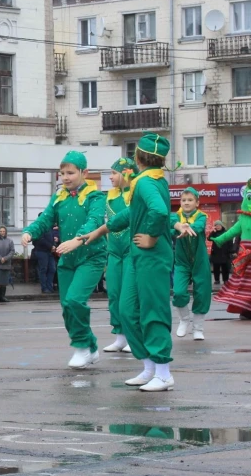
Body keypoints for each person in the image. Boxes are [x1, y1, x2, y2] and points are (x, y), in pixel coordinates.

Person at [71, 134, 174, 392]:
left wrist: (151, 235)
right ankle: (149, 367)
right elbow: (130, 214)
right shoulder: (144, 181)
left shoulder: (148, 182)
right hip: (138, 257)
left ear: (139, 158)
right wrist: (100, 231)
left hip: (152, 256)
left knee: (153, 311)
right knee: (128, 311)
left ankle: (163, 372)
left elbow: (159, 211)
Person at [21, 151, 107, 370]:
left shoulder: (95, 197)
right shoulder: (58, 197)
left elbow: (95, 221)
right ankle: (90, 345)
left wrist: (78, 240)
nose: (65, 177)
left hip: (91, 257)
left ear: (84, 173)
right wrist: (29, 232)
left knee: (75, 301)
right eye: (62, 173)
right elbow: (45, 220)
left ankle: (82, 348)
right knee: (66, 307)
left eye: (70, 173)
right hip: (68, 258)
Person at [102, 157, 138, 354]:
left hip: (131, 251)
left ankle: (133, 336)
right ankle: (120, 337)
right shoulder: (109, 195)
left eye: (114, 173)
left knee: (130, 297)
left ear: (126, 173)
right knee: (114, 293)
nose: (110, 177)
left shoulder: (135, 195)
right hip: (114, 252)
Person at [172, 188, 212, 341]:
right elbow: (168, 226)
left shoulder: (201, 216)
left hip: (200, 261)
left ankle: (198, 328)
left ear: (197, 202)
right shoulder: (176, 217)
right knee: (179, 291)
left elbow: (200, 226)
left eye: (190, 200)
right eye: (183, 200)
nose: (186, 203)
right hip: (182, 262)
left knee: (202, 293)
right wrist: (177, 227)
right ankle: (184, 319)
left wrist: (189, 228)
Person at [32, 212, 57, 294]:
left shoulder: (49, 226)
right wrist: (51, 246)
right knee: (43, 269)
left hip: (49, 252)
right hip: (41, 251)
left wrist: (53, 245)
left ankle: (50, 287)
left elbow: (52, 238)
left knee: (52, 269)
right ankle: (44, 288)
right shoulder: (39, 227)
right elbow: (40, 240)